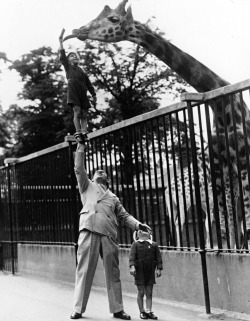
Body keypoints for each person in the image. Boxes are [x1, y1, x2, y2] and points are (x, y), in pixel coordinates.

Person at [70, 142, 152, 320]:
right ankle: (78, 309)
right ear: (91, 177)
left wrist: (138, 225)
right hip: (89, 231)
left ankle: (117, 309)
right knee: (83, 271)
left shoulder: (113, 197)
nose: (99, 171)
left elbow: (124, 216)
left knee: (113, 273)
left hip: (108, 235)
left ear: (107, 179)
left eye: (102, 172)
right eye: (96, 171)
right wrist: (81, 146)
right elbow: (78, 168)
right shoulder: (86, 186)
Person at [59, 29, 97, 143]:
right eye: (71, 56)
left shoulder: (82, 71)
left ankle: (85, 132)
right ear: (68, 60)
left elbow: (89, 84)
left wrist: (93, 94)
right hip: (73, 91)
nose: (74, 57)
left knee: (84, 113)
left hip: (82, 92)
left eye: (75, 56)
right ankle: (78, 131)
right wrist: (60, 41)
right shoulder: (68, 68)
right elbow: (62, 55)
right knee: (77, 111)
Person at [129, 230, 163, 320]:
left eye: (146, 231)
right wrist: (132, 267)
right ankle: (142, 311)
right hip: (139, 271)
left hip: (150, 271)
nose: (143, 232)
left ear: (149, 234)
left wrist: (159, 268)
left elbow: (158, 257)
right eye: (141, 231)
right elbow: (132, 257)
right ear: (138, 234)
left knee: (149, 292)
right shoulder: (135, 244)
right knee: (141, 292)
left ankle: (148, 311)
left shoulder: (154, 245)